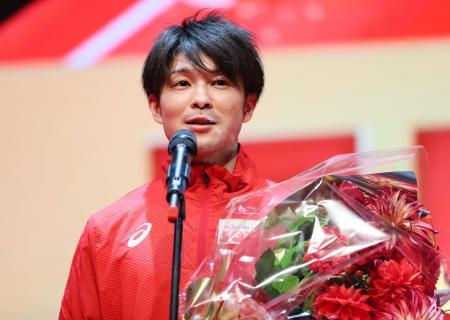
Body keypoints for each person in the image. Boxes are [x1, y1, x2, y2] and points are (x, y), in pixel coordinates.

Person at [59, 11, 266, 319]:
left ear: (248, 105)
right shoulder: (107, 229)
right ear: (156, 107)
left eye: (220, 82)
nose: (201, 99)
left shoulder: (291, 217)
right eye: (182, 83)